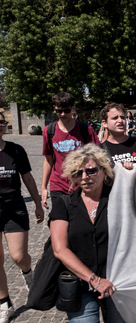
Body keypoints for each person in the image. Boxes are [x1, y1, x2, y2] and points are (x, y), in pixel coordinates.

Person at [49, 144, 124, 322]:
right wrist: (95, 281)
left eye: (91, 170)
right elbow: (60, 249)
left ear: (104, 171)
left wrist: (133, 173)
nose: (84, 177)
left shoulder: (119, 198)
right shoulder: (64, 203)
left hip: (118, 284)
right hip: (81, 284)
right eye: (77, 173)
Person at [0, 113, 44, 322]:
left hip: (14, 207)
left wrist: (37, 203)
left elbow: (27, 177)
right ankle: (4, 303)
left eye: (1, 122)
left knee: (18, 256)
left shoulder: (16, 150)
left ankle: (27, 272)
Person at [42, 92, 100, 210]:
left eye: (66, 110)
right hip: (58, 185)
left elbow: (98, 157)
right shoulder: (49, 131)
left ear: (73, 108)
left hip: (82, 184)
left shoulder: (85, 129)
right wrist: (43, 187)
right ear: (54, 109)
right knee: (60, 221)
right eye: (59, 111)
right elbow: (48, 160)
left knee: (80, 224)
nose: (63, 114)